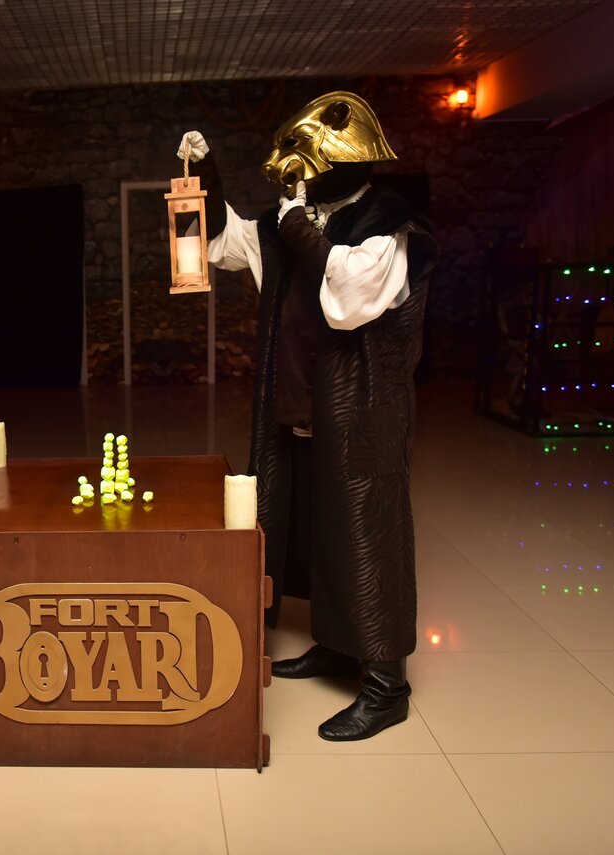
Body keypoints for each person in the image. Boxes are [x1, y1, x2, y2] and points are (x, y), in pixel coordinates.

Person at [177, 91, 436, 741]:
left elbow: (349, 300)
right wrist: (202, 176)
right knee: (320, 528)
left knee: (368, 535)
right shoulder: (285, 223)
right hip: (297, 407)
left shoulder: (387, 224)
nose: (294, 180)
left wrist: (297, 225)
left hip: (363, 416)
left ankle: (386, 686)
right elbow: (220, 243)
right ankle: (338, 645)